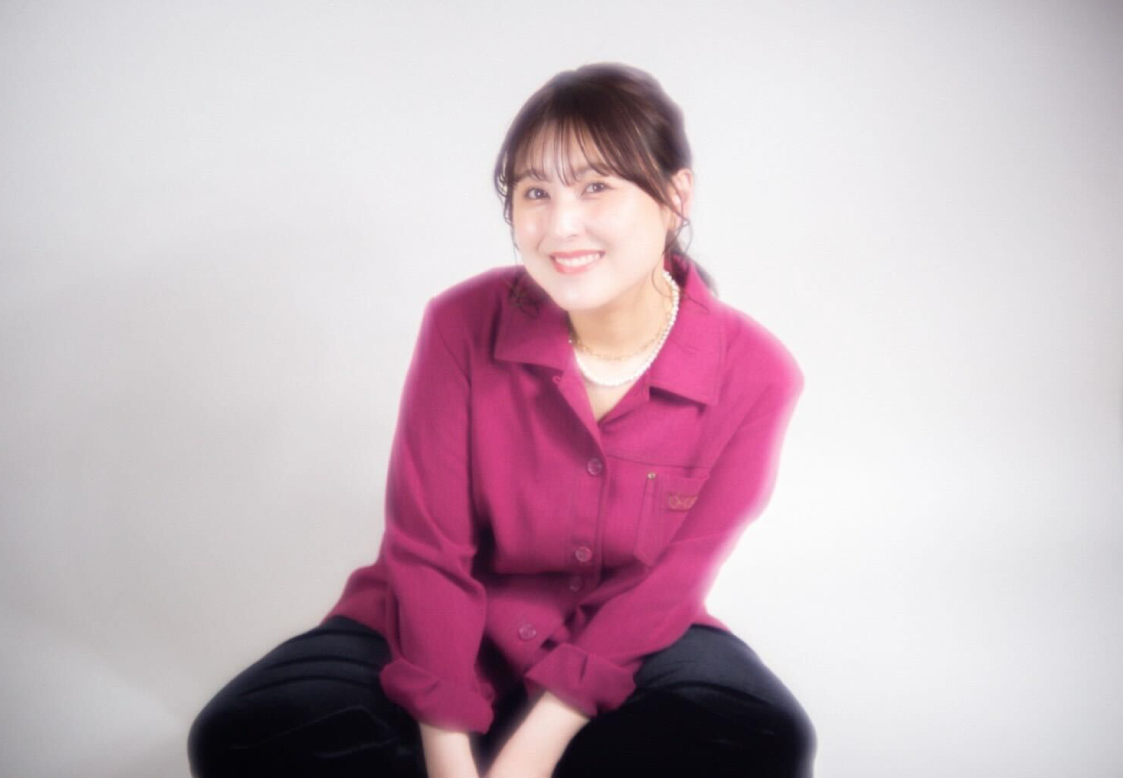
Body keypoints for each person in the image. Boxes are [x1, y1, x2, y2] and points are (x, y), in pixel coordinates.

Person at [188, 62, 815, 778]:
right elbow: (429, 549)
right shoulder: (461, 323)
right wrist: (449, 752)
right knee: (241, 736)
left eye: (596, 187)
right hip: (433, 631)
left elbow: (670, 582)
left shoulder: (756, 373)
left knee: (761, 740)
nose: (560, 226)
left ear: (676, 197)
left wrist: (540, 741)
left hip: (626, 641)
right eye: (535, 192)